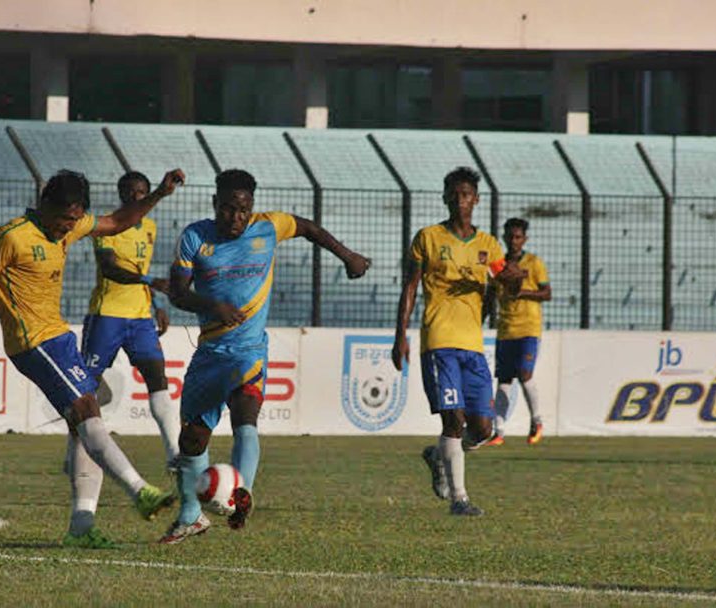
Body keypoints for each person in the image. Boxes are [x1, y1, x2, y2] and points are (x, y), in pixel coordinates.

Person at [0, 168, 185, 549]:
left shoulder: (72, 225)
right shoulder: (11, 236)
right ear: (46, 204)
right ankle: (139, 490)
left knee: (86, 416)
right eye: (64, 219)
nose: (68, 228)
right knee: (86, 408)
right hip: (31, 343)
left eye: (74, 220)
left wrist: (160, 194)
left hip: (59, 337)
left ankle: (81, 527)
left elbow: (118, 221)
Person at [160, 168, 370, 544]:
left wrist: (348, 255)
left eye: (243, 210)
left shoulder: (268, 227)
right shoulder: (195, 237)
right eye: (228, 209)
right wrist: (212, 305)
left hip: (249, 351)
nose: (236, 218)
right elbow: (177, 292)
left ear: (251, 207)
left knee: (246, 416)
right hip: (210, 354)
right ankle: (191, 516)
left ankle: (243, 496)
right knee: (192, 440)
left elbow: (309, 228)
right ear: (215, 204)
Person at [391, 167, 522, 517]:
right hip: (438, 342)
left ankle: (439, 456)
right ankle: (459, 500)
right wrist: (399, 335)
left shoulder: (488, 245)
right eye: (454, 193)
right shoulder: (428, 238)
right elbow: (410, 287)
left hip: (473, 346)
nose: (460, 200)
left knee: (483, 429)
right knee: (453, 422)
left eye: (466, 194)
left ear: (476, 200)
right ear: (445, 197)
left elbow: (507, 285)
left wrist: (512, 279)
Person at [81, 171, 180, 474]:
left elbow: (140, 267)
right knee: (86, 387)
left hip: (140, 317)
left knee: (157, 376)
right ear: (121, 194)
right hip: (106, 315)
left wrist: (158, 303)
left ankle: (175, 454)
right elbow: (111, 269)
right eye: (131, 192)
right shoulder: (106, 225)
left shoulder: (150, 226)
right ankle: (80, 450)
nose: (137, 197)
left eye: (141, 192)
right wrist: (151, 280)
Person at [489, 217, 551, 445]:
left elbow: (547, 293)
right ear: (504, 237)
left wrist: (521, 293)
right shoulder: (497, 265)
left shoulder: (534, 263)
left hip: (528, 328)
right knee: (504, 380)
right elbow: (490, 295)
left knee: (524, 374)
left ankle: (537, 421)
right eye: (510, 236)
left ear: (525, 239)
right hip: (505, 330)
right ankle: (499, 431)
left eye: (518, 237)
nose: (514, 241)